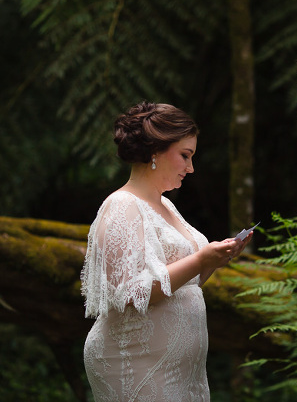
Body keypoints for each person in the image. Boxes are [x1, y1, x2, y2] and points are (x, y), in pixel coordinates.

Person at [80, 101, 252, 402]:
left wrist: (214, 261)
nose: (191, 167)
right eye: (185, 155)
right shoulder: (121, 207)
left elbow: (183, 285)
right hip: (135, 362)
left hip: (179, 370)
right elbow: (132, 294)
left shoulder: (165, 205)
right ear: (155, 152)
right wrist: (200, 258)